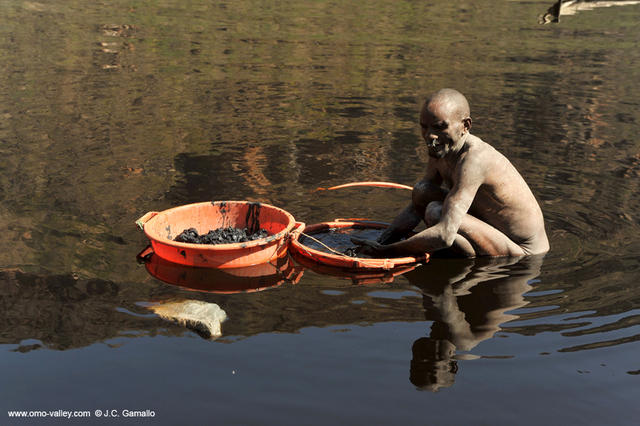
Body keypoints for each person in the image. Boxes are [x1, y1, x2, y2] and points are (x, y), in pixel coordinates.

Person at [352, 88, 549, 258]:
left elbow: (445, 234)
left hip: (524, 251)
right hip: (490, 229)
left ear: (466, 126)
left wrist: (386, 251)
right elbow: (416, 207)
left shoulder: (474, 160)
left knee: (436, 213)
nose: (430, 136)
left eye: (439, 127)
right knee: (422, 191)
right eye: (424, 127)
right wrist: (382, 239)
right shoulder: (440, 149)